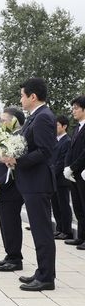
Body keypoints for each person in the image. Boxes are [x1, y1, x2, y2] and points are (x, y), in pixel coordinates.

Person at [2, 77, 56, 291]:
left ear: (33, 96)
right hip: (31, 181)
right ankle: (43, 271)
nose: (21, 100)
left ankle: (46, 278)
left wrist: (17, 160)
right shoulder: (36, 117)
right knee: (38, 230)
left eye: (23, 95)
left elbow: (45, 151)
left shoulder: (43, 117)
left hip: (38, 182)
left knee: (42, 231)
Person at [0, 107, 25, 272]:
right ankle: (10, 254)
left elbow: (15, 167)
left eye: (4, 120)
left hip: (11, 189)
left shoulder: (18, 139)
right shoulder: (6, 137)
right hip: (2, 187)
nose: (1, 123)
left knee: (12, 224)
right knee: (5, 223)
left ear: (14, 120)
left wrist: (0, 182)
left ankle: (16, 259)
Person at [64, 96, 85, 249]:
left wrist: (73, 167)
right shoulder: (77, 128)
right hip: (74, 174)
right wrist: (67, 167)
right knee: (77, 206)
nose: (73, 111)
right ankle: (81, 237)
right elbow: (71, 151)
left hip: (82, 172)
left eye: (76, 108)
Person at [52, 115, 73, 240]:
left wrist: (52, 172)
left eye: (57, 125)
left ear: (64, 126)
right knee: (56, 204)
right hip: (54, 179)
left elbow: (62, 161)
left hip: (62, 179)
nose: (55, 127)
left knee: (64, 205)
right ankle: (59, 228)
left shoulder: (67, 141)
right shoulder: (55, 140)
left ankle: (67, 230)